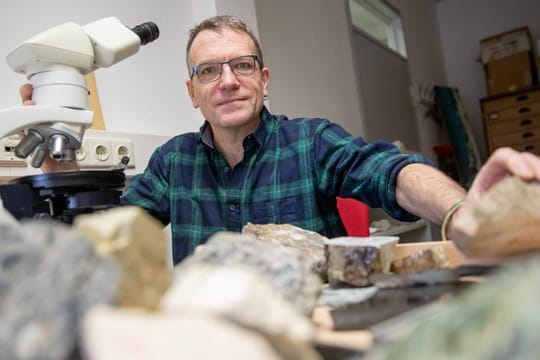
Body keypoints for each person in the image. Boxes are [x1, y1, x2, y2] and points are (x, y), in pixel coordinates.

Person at [19, 15, 540, 265]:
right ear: (192, 92)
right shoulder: (172, 162)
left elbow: (391, 171)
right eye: (208, 71)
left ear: (263, 79)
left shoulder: (310, 142)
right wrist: (57, 168)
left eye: (241, 65)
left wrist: (459, 212)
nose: (227, 80)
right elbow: (109, 234)